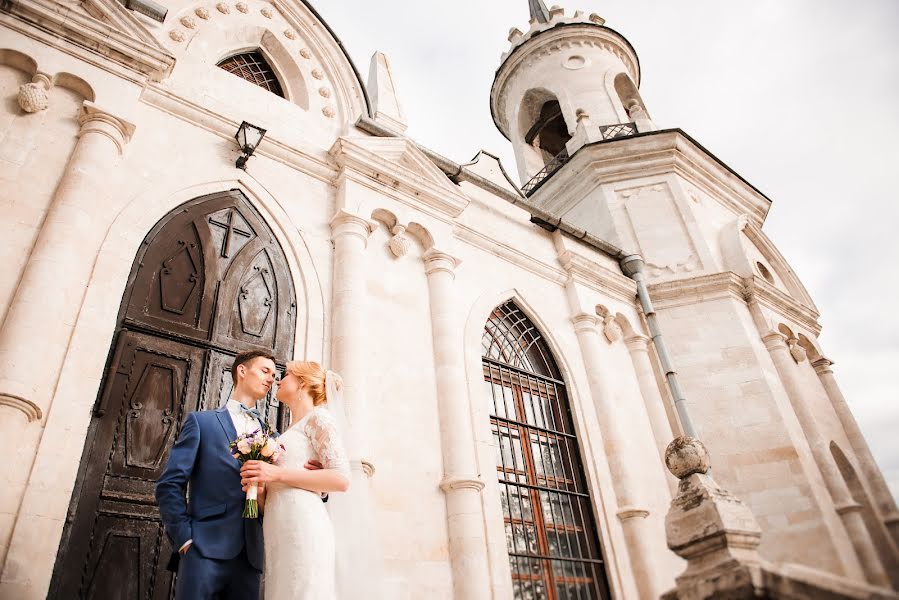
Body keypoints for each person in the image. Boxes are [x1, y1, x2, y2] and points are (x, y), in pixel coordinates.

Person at [155, 350, 277, 599]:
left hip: (251, 556)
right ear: (242, 371)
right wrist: (185, 538)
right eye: (265, 371)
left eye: (275, 375)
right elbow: (169, 484)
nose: (271, 379)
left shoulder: (273, 437)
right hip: (203, 547)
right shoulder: (202, 423)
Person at [240, 360, 350, 600]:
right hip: (278, 526)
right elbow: (275, 491)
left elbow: (341, 478)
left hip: (303, 523)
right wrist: (258, 489)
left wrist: (275, 474)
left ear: (302, 383)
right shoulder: (287, 432)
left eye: (286, 375)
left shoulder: (319, 418)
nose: (278, 380)